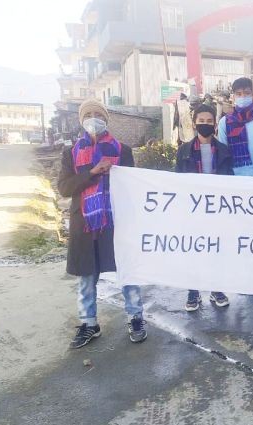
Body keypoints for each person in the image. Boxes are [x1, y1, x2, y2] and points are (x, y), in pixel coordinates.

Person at [57, 98, 147, 348]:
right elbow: (64, 188)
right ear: (81, 119)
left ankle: (136, 317)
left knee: (127, 271)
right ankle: (89, 324)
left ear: (106, 118)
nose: (93, 118)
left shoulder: (122, 150)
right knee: (86, 277)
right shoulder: (71, 153)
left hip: (115, 222)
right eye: (89, 114)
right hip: (85, 225)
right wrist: (92, 173)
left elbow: (132, 187)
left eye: (98, 114)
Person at [175, 104, 235, 311]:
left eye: (210, 121)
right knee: (194, 250)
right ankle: (193, 291)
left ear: (215, 125)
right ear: (194, 123)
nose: (205, 124)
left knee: (216, 250)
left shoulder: (224, 151)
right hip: (193, 210)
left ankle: (216, 289)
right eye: (201, 121)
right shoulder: (183, 151)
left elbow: (230, 181)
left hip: (217, 209)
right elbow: (177, 181)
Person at [218, 77, 253, 176]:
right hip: (234, 180)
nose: (243, 97)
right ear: (233, 97)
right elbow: (223, 154)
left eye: (247, 93)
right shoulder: (225, 122)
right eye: (239, 94)